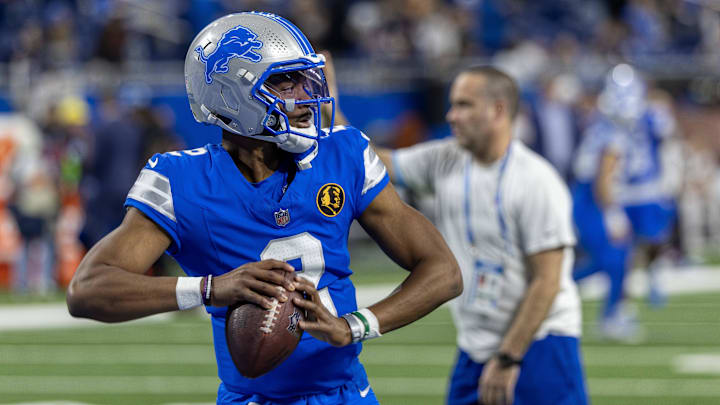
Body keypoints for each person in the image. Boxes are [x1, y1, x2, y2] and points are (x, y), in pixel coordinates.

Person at [66, 12, 462, 405]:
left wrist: (355, 326)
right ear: (230, 95)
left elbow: (443, 271)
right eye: (282, 81)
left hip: (347, 396)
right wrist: (211, 288)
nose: (304, 94)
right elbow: (88, 289)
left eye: (303, 77)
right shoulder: (182, 181)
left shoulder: (344, 154)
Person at [377, 66, 587, 405]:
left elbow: (546, 281)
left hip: (539, 344)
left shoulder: (537, 181)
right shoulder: (446, 158)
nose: (451, 115)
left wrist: (509, 357)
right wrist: (330, 113)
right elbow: (372, 164)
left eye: (464, 105)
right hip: (476, 346)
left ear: (498, 109)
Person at [572, 63, 677, 340]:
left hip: (590, 196)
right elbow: (602, 180)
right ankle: (555, 292)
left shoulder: (604, 123)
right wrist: (613, 216)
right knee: (614, 258)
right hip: (590, 199)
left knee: (611, 259)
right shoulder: (613, 131)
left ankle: (607, 311)